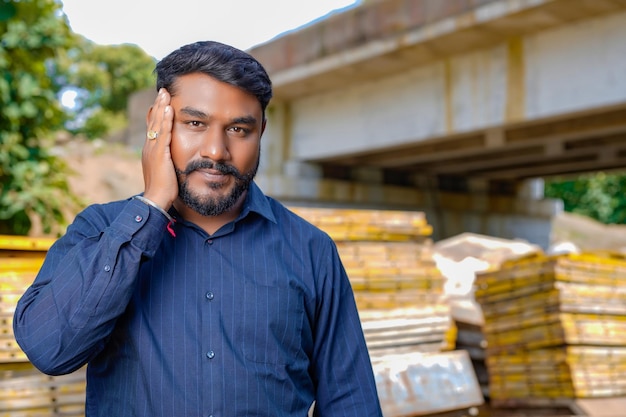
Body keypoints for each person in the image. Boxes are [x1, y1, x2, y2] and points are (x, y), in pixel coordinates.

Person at [13, 40, 383, 417]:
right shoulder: (101, 229)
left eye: (239, 129)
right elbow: (50, 349)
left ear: (261, 133)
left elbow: (352, 403)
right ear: (158, 122)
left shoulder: (311, 250)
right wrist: (152, 204)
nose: (216, 151)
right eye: (195, 123)